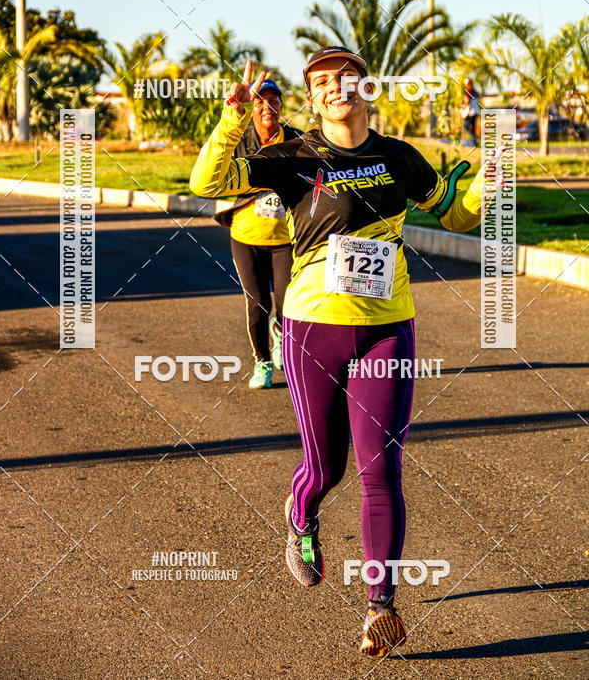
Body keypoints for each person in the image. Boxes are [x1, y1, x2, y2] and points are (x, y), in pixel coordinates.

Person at [191, 47, 493, 658]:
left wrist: (492, 175)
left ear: (367, 87)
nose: (336, 88)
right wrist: (233, 117)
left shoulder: (399, 157)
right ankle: (300, 515)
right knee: (326, 468)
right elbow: (208, 184)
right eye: (323, 81)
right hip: (314, 329)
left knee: (381, 469)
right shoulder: (290, 158)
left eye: (346, 77)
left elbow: (455, 213)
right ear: (313, 95)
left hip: (387, 328)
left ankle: (380, 607)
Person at [213, 76, 301, 389]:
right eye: (260, 101)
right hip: (246, 237)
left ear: (281, 106)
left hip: (285, 241)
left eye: (273, 101)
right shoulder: (240, 141)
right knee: (257, 302)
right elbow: (215, 169)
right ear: (252, 108)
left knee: (289, 302)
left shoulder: (297, 142)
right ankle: (262, 361)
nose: (267, 107)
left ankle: (281, 335)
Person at [461, 78, 480, 147]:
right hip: (476, 112)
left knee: (466, 127)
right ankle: (475, 143)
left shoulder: (468, 93)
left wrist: (463, 108)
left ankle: (475, 138)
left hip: (470, 113)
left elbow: (467, 102)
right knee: (473, 128)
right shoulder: (476, 93)